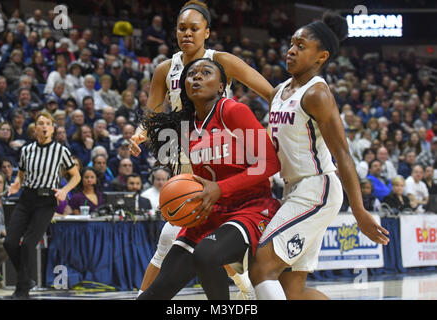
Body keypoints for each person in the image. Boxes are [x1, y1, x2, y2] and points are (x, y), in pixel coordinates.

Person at [130, 0, 275, 299]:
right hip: (188, 150)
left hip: (231, 156)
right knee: (178, 241)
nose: (187, 33)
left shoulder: (225, 75)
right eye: (182, 28)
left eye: (194, 28)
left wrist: (282, 127)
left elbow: (271, 94)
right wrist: (140, 134)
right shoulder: (165, 70)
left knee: (190, 244)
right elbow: (153, 116)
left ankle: (243, 281)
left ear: (206, 32)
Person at [248, 12, 389, 300]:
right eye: (291, 44)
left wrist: (359, 211)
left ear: (321, 57)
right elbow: (248, 77)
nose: (291, 50)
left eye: (301, 46)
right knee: (292, 291)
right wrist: (218, 57)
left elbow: (343, 155)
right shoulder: (282, 91)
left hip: (316, 189)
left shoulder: (317, 94)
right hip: (295, 189)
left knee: (261, 266)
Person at [4, 111, 80, 299]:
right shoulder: (26, 150)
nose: (44, 126)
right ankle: (27, 279)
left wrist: (64, 191)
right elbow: (21, 175)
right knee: (10, 242)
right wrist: (16, 184)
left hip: (47, 200)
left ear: (52, 129)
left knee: (29, 244)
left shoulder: (61, 150)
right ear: (35, 128)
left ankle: (22, 291)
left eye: (48, 123)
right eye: (40, 123)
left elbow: (76, 175)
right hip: (27, 197)